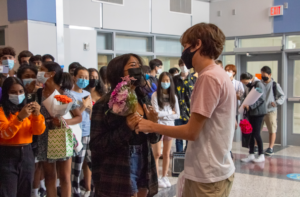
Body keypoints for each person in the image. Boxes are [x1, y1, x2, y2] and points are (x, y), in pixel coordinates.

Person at [136, 23, 236, 197]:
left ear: (197, 44)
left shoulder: (209, 77)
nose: (183, 52)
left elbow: (191, 132)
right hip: (212, 169)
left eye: (185, 46)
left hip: (207, 175)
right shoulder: (218, 74)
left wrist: (151, 126)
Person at [90, 54, 161, 197]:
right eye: (132, 66)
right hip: (118, 165)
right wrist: (126, 127)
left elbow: (154, 139)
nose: (138, 69)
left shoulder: (143, 99)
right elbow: (97, 144)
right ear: (118, 72)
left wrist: (154, 124)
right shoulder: (105, 104)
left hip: (144, 160)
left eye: (139, 66)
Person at [36, 62, 82, 197]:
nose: (39, 73)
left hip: (62, 136)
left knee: (64, 177)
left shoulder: (63, 93)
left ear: (52, 74)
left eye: (42, 70)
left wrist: (63, 121)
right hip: (44, 136)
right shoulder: (39, 93)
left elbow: (78, 117)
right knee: (49, 176)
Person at [0, 77, 45, 197]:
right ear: (6, 93)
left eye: (20, 92)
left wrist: (36, 116)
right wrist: (19, 118)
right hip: (6, 155)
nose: (18, 95)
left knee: (25, 192)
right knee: (7, 192)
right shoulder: (1, 111)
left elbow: (38, 131)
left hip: (27, 153)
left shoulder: (26, 109)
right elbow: (5, 134)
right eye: (13, 92)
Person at [151, 72, 180, 188]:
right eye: (163, 80)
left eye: (168, 81)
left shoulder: (174, 97)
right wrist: (169, 113)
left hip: (169, 127)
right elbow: (156, 113)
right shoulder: (155, 95)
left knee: (167, 154)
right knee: (157, 153)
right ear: (159, 82)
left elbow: (177, 114)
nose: (165, 83)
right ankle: (156, 178)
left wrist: (166, 115)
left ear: (171, 82)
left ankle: (164, 177)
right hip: (158, 127)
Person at [69, 67, 93, 197]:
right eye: (81, 77)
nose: (84, 80)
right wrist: (83, 106)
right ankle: (75, 191)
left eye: (86, 77)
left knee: (92, 162)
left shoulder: (87, 94)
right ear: (74, 77)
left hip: (88, 132)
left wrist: (90, 108)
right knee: (76, 166)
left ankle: (92, 188)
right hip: (77, 134)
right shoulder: (69, 94)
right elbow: (73, 116)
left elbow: (91, 114)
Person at [240, 72, 266, 163]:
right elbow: (245, 96)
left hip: (258, 113)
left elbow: (261, 99)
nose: (245, 84)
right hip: (250, 113)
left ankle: (261, 154)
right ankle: (251, 154)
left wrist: (251, 106)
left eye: (246, 82)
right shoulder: (248, 86)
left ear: (250, 79)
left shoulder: (259, 84)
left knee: (256, 133)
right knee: (250, 133)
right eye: (243, 83)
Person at [260, 66, 285, 155]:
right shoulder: (260, 84)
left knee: (272, 130)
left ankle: (270, 147)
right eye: (262, 75)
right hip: (260, 111)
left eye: (264, 75)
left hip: (270, 111)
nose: (263, 77)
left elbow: (282, 96)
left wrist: (276, 102)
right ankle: (256, 146)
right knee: (258, 130)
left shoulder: (275, 85)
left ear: (270, 74)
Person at [173, 59, 197, 152]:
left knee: (188, 137)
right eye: (181, 64)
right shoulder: (175, 79)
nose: (183, 66)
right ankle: (179, 156)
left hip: (190, 112)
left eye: (185, 64)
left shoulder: (194, 80)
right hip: (177, 111)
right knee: (178, 137)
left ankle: (188, 155)